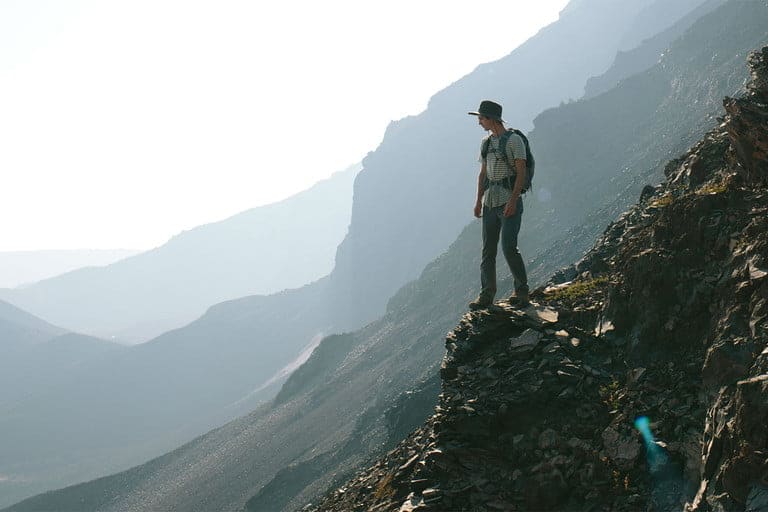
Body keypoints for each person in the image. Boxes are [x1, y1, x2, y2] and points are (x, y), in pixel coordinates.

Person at [467, 100, 529, 310]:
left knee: (509, 247)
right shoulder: (486, 143)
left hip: (508, 202)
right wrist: (478, 201)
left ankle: (521, 293)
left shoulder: (514, 141)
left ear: (491, 119)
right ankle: (487, 294)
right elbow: (483, 174)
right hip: (490, 203)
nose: (479, 122)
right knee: (488, 251)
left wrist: (513, 201)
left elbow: (521, 172)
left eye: (481, 118)